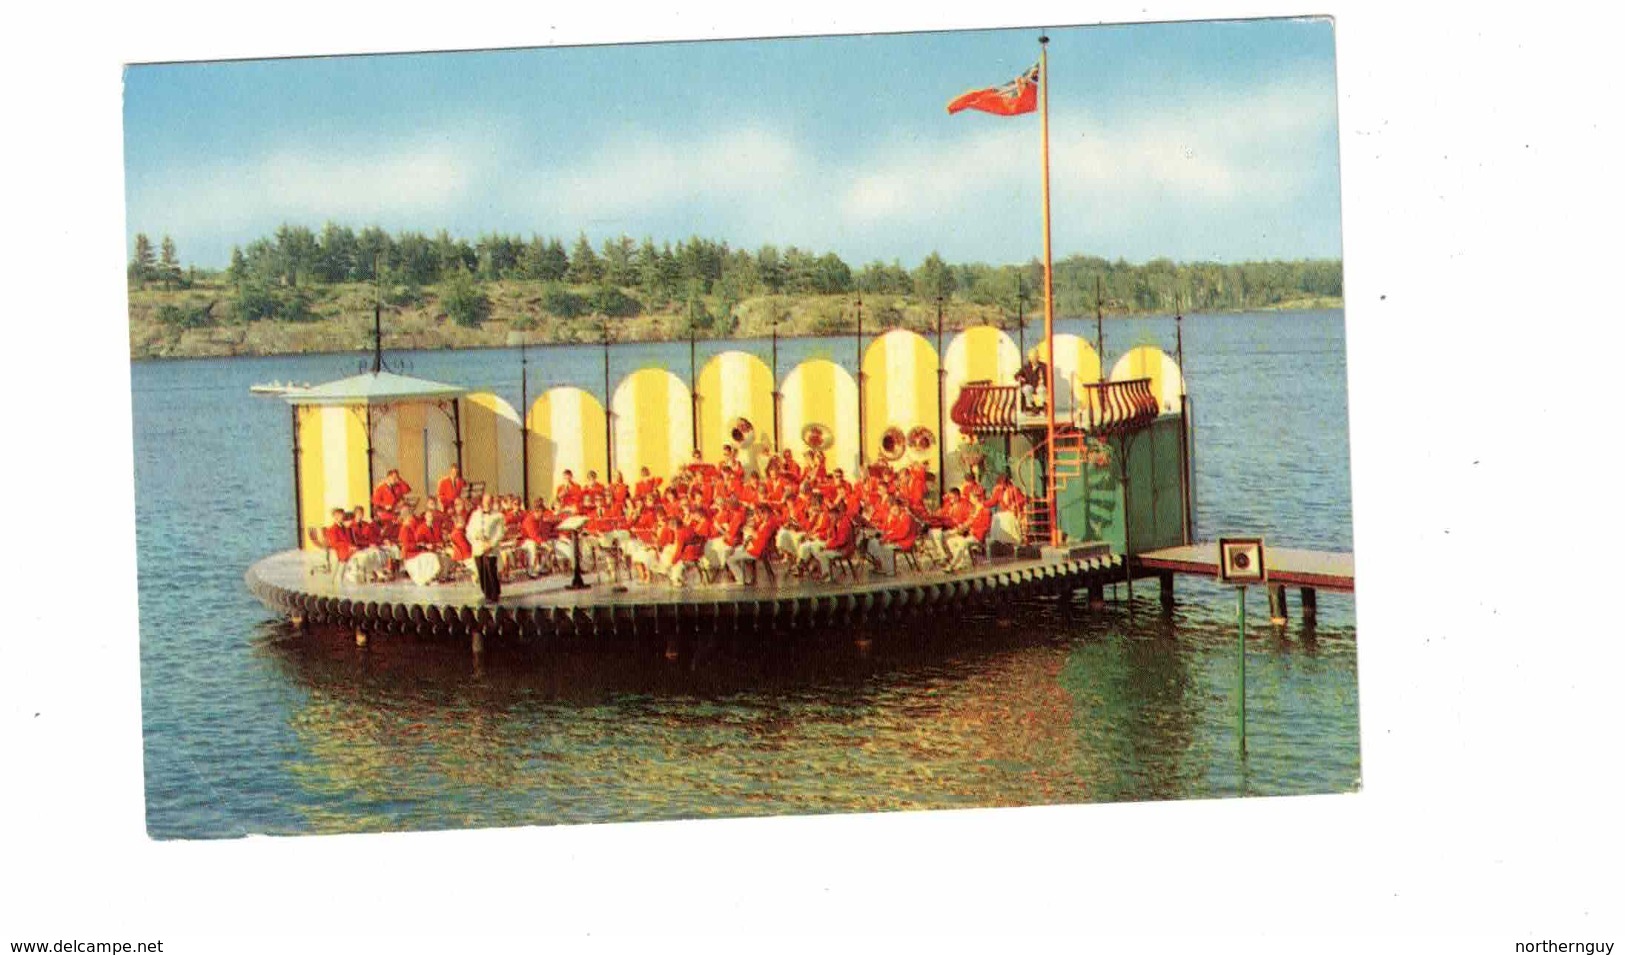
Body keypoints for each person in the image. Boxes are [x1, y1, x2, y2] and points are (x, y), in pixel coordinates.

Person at [466, 493, 506, 603]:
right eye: (485, 501)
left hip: (490, 546)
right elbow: (469, 531)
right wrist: (476, 537)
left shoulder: (498, 516)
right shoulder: (475, 515)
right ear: (482, 502)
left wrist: (491, 544)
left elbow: (500, 532)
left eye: (489, 501)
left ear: (492, 502)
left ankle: (494, 594)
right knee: (481, 570)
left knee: (490, 569)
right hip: (478, 546)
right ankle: (487, 593)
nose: (487, 503)